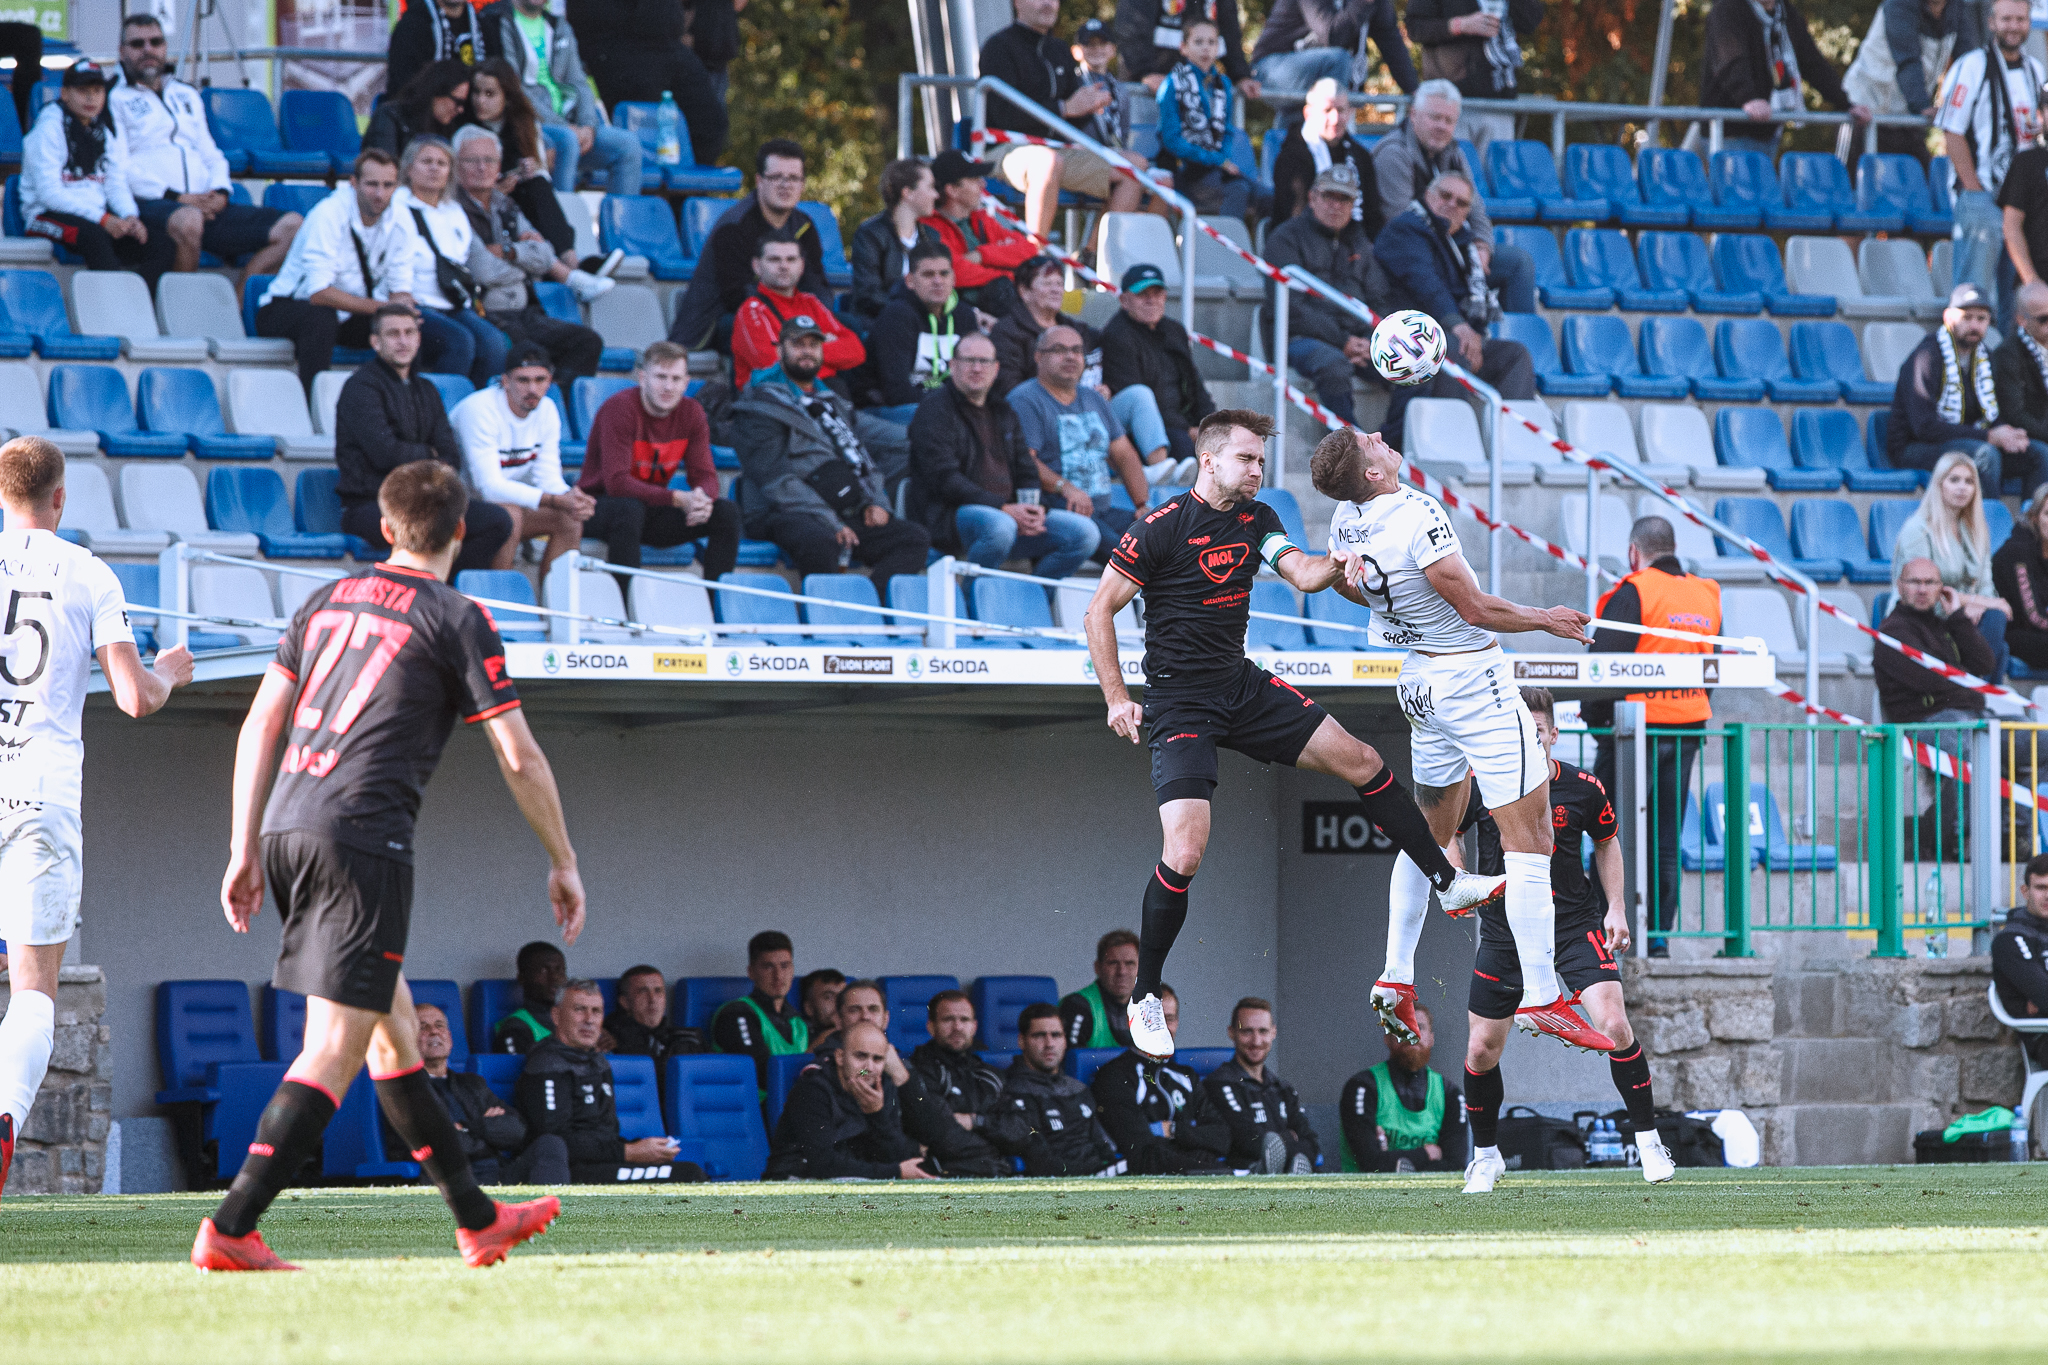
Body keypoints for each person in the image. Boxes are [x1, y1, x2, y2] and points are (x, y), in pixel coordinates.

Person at [194, 459, 581, 1271]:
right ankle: (230, 1226)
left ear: (384, 527)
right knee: (333, 1045)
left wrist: (242, 844)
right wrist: (563, 859)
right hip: (363, 840)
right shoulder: (457, 615)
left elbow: (261, 722)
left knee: (392, 1033)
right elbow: (518, 755)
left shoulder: (324, 599)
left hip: (289, 825)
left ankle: (478, 1218)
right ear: (462, 533)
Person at [1083, 410, 1516, 1062]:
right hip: (1180, 703)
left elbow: (1303, 574)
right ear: (1209, 461)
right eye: (1246, 459)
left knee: (1363, 759)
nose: (1257, 471)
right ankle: (1145, 994)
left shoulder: (1257, 519)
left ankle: (1445, 879)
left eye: (1261, 461)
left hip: (1241, 687)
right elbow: (1099, 610)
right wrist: (1118, 696)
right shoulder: (1160, 527)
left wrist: (1340, 563)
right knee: (1186, 851)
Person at [1309, 425, 1613, 1052]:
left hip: (1418, 682)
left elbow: (1349, 586)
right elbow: (1474, 609)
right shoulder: (1417, 513)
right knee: (1533, 840)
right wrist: (1546, 619)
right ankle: (1541, 997)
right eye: (1370, 443)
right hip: (1472, 680)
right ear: (1372, 473)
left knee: (1430, 834)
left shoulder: (1345, 518)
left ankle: (1396, 975)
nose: (1379, 435)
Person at [0, 437, 192, 1199]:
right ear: (61, 496)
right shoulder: (87, 571)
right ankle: (4, 1117)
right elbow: (134, 697)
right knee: (34, 990)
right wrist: (167, 673)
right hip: (40, 793)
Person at [1452, 689, 1676, 1192]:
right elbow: (1449, 831)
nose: (1531, 739)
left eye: (1538, 730)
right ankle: (1486, 1158)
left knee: (1614, 1025)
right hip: (1504, 932)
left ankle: (1648, 1143)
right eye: (1521, 731)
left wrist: (1616, 907)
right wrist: (1458, 877)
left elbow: (1607, 842)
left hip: (1573, 926)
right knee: (1482, 1048)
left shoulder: (1582, 787)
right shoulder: (1482, 784)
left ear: (1553, 734)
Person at [1584, 515, 1721, 958]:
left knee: (1610, 834)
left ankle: (1601, 934)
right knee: (1665, 839)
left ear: (1633, 552)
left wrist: (1598, 726)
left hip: (1632, 732)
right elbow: (1713, 667)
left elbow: (1600, 668)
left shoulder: (1634, 591)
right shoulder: (1707, 593)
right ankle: (1657, 938)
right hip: (1686, 730)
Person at [734, 324, 933, 580]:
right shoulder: (760, 405)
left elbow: (861, 458)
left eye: (814, 345)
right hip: (782, 511)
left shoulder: (832, 402)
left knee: (914, 538)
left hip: (839, 511)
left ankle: (870, 603)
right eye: (798, 345)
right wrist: (831, 521)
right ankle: (824, 605)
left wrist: (877, 502)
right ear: (780, 350)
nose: (807, 351)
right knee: (822, 541)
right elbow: (776, 481)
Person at [112, 14, 300, 282]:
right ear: (121, 51)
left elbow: (211, 154)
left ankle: (239, 300)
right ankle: (180, 306)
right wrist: (178, 197)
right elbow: (119, 166)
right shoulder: (113, 97)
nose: (148, 50)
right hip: (152, 205)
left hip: (204, 206)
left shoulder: (186, 94)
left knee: (293, 226)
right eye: (137, 44)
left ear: (165, 47)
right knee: (189, 220)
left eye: (155, 42)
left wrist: (220, 192)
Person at [334, 304, 517, 574]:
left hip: (427, 502)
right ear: (375, 342)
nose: (403, 341)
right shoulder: (360, 387)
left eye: (409, 332)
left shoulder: (427, 389)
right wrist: (430, 454)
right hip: (371, 505)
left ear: (419, 339)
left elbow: (451, 455)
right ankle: (427, 590)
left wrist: (424, 455)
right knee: (432, 525)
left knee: (497, 521)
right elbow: (385, 454)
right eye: (393, 334)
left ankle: (447, 590)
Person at [908, 331, 1101, 580]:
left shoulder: (1003, 409)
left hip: (1009, 512)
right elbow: (945, 480)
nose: (977, 368)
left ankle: (1035, 593)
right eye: (969, 361)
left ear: (996, 368)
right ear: (953, 365)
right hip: (951, 516)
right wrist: (1003, 508)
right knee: (1000, 527)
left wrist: (1033, 509)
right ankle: (974, 593)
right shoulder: (934, 410)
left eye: (984, 361)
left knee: (1084, 534)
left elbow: (1026, 469)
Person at [1373, 170, 1535, 448]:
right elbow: (1426, 285)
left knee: (1515, 356)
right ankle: (1448, 447)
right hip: (1399, 336)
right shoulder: (1405, 229)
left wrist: (1474, 336)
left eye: (1461, 203)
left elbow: (1467, 299)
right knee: (1452, 347)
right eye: (1445, 196)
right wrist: (1460, 327)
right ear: (1428, 195)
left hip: (1442, 334)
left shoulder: (1462, 244)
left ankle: (1513, 447)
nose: (1452, 205)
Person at [992, 257, 1187, 482]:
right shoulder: (1007, 332)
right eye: (1047, 283)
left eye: (1059, 283)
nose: (1056, 289)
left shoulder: (1077, 329)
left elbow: (1111, 362)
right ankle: (1132, 474)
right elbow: (1012, 391)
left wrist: (1108, 388)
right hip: (1042, 414)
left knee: (1138, 394)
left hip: (1088, 409)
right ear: (1024, 291)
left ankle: (1159, 469)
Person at [255, 151, 436, 393]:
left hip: (350, 314)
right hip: (285, 307)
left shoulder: (401, 217)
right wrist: (384, 308)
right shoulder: (328, 214)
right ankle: (312, 402)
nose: (380, 194)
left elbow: (400, 285)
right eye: (372, 184)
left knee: (406, 328)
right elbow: (319, 293)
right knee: (321, 319)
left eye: (388, 185)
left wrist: (402, 308)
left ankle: (405, 402)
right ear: (353, 183)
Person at [450, 126, 611, 384]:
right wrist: (526, 263)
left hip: (526, 311)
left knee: (587, 341)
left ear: (499, 165)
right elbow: (483, 271)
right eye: (472, 160)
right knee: (531, 354)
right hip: (488, 312)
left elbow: (545, 254)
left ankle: (555, 401)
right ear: (457, 165)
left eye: (489, 160)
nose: (482, 167)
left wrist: (509, 251)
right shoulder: (451, 209)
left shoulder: (505, 204)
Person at [978, 0, 1146, 241]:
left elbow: (1073, 116)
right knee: (1048, 162)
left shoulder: (1058, 49)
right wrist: (1063, 108)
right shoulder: (999, 46)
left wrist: (1091, 106)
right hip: (1006, 149)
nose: (1048, 4)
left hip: (1059, 151)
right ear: (1017, 3)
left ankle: (1091, 255)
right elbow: (1003, 115)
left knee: (1135, 166)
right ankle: (1035, 256)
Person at [576, 340, 742, 576]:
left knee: (726, 513)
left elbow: (705, 474)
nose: (668, 387)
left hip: (649, 510)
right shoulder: (619, 409)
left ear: (686, 383)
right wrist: (677, 498)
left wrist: (702, 499)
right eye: (660, 377)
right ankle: (626, 596)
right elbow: (617, 484)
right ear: (643, 378)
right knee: (629, 509)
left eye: (676, 379)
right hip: (597, 507)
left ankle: (715, 595)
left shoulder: (692, 412)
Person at [1369, 79, 1533, 315]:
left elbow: (1477, 211)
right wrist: (1459, 252)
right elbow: (1402, 228)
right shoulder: (1393, 154)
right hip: (1411, 260)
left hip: (1451, 250)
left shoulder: (1455, 153)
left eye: (1449, 121)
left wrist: (1482, 248)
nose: (1442, 127)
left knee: (1518, 262)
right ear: (1413, 115)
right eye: (1435, 118)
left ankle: (1514, 336)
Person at [516, 980, 706, 1182]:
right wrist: (629, 1152)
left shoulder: (599, 1063)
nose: (589, 1020)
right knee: (688, 1175)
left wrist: (643, 1148)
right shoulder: (546, 1064)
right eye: (579, 1010)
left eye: (596, 1011)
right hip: (570, 1173)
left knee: (686, 1168)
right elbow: (554, 1143)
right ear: (556, 1016)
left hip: (605, 1163)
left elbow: (606, 1135)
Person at [1876, 557, 1997, 850]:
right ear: (1899, 586)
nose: (1922, 589)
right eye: (1914, 582)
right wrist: (1967, 684)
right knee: (1970, 746)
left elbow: (1985, 664)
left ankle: (2017, 830)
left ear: (1941, 588)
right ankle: (1957, 837)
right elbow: (1929, 681)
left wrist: (1957, 616)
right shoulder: (1893, 631)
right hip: (1923, 723)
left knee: (2040, 742)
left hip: (1969, 716)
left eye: (1930, 582)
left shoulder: (1945, 626)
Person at [451, 342, 602, 576]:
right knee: (509, 515)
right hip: (460, 508)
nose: (532, 389)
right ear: (505, 381)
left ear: (549, 381)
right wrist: (555, 500)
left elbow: (548, 477)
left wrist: (572, 499)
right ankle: (500, 595)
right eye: (523, 380)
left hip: (505, 506)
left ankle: (556, 599)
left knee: (569, 518)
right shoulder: (479, 410)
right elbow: (488, 488)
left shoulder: (547, 409)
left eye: (540, 380)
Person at [20, 61, 175, 289]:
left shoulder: (103, 132)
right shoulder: (47, 130)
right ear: (65, 94)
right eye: (83, 90)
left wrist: (130, 217)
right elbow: (49, 195)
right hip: (44, 216)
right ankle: (113, 306)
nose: (91, 98)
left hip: (94, 217)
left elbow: (115, 184)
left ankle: (135, 302)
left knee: (161, 245)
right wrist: (103, 220)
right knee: (95, 237)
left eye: (97, 91)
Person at [1938, 0, 2044, 326]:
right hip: (1982, 196)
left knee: (2020, 300)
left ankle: (2011, 358)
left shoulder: (2036, 70)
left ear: (2029, 22)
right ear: (1992, 22)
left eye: (2020, 19)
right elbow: (1952, 131)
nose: (2013, 26)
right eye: (2006, 19)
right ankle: (1966, 355)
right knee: (1974, 298)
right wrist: (1974, 189)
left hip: (2022, 204)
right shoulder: (1972, 66)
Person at [1890, 285, 2048, 501]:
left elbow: (1989, 413)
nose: (1974, 326)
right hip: (1916, 448)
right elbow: (1924, 427)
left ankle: (2031, 520)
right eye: (1966, 317)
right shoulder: (1926, 356)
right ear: (1948, 317)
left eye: (1981, 319)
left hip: (1968, 441)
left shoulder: (1985, 357)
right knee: (1985, 455)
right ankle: (1990, 520)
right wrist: (1989, 436)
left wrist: (2007, 433)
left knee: (2039, 453)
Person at [384, 1002, 571, 1184]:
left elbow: (517, 1130)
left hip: (497, 1174)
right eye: (423, 1027)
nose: (434, 1032)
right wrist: (488, 1131)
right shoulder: (402, 1089)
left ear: (449, 1037)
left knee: (550, 1144)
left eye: (439, 1025)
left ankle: (555, 1206)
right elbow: (440, 1143)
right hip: (452, 1182)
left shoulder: (472, 1083)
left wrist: (467, 1127)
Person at [671, 139, 829, 349]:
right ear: (759, 181)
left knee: (848, 326)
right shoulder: (734, 226)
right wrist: (791, 317)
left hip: (785, 314)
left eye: (793, 178)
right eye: (776, 177)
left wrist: (820, 318)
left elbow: (817, 285)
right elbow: (737, 296)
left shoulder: (804, 225)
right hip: (718, 323)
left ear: (802, 184)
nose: (785, 185)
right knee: (755, 327)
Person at [1010, 325, 1152, 556]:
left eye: (1077, 350)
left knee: (1160, 535)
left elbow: (1124, 454)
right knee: (1127, 556)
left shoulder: (1093, 398)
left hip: (1102, 510)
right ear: (1038, 357)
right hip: (1059, 508)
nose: (1070, 356)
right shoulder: (1025, 400)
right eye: (1059, 350)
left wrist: (1141, 504)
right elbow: (1025, 460)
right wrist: (1065, 488)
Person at [482, 0, 645, 198]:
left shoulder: (559, 25)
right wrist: (564, 127)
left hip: (571, 125)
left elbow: (578, 81)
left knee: (628, 145)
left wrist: (588, 126)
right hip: (531, 124)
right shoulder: (499, 20)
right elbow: (514, 87)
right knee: (567, 140)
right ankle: (563, 215)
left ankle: (621, 217)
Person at [1263, 165, 1378, 427]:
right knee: (1333, 365)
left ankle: (1394, 441)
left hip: (1357, 339)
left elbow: (1379, 299)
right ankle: (1350, 444)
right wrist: (1343, 341)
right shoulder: (1285, 238)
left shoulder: (1361, 243)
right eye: (1328, 196)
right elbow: (1290, 308)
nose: (1335, 205)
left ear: (1353, 205)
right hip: (1298, 338)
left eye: (1344, 199)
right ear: (1312, 197)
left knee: (1408, 365)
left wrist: (1371, 341)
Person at [394, 135, 513, 387]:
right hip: (415, 304)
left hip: (454, 302)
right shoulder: (396, 206)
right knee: (459, 341)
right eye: (426, 161)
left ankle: (474, 403)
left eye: (442, 163)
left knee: (494, 342)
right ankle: (437, 405)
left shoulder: (454, 210)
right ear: (409, 168)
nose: (434, 168)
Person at [1893, 453, 2015, 681]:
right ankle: (1973, 693)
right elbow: (1924, 590)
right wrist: (1975, 604)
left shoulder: (1976, 531)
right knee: (1992, 635)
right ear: (1939, 484)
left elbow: (1986, 586)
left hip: (1959, 619)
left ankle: (1972, 692)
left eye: (1969, 481)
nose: (1962, 487)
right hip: (1922, 619)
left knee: (1996, 620)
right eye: (1954, 480)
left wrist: (1979, 605)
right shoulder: (1917, 530)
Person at [1088, 985, 1232, 1174]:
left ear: (1177, 1022)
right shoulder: (1115, 1076)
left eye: (1169, 1019)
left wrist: (1172, 1130)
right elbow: (1141, 1151)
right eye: (1152, 1019)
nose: (1162, 1027)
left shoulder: (1186, 1076)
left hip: (1193, 1171)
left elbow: (1222, 1137)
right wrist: (1200, 1156)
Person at [563, 0, 728, 165]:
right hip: (616, 46)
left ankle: (689, 179)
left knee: (711, 122)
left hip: (668, 44)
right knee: (644, 124)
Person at [766, 1022, 935, 1180]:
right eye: (861, 1056)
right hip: (794, 1182)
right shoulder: (813, 1090)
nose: (869, 1068)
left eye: (877, 1059)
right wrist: (896, 1172)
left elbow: (899, 1158)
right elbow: (823, 1165)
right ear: (840, 1057)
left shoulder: (882, 1088)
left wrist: (876, 1114)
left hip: (852, 1184)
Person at [1700, 0, 1872, 154]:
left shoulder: (1785, 14)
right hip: (1730, 131)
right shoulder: (1728, 9)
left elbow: (1813, 64)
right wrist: (1748, 98)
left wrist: (1845, 103)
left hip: (1767, 131)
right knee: (1737, 181)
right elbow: (1730, 61)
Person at [1100, 263, 1218, 472]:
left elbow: (1195, 384)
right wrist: (1188, 430)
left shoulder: (1174, 330)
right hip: (1142, 429)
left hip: (1180, 422)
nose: (1151, 300)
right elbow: (1139, 403)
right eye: (1142, 294)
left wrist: (1211, 424)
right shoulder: (1116, 335)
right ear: (1124, 300)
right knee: (1182, 444)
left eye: (1157, 293)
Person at [463, 58, 580, 260]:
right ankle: (566, 264)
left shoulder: (524, 123)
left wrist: (530, 170)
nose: (480, 101)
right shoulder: (465, 126)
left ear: (507, 96)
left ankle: (568, 257)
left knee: (538, 186)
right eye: (476, 92)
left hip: (517, 197)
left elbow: (541, 173)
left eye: (490, 94)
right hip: (475, 200)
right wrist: (493, 190)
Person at [1842, 0, 1978, 162]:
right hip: (1865, 114)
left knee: (1923, 175)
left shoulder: (1956, 9)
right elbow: (1907, 60)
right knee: (1855, 176)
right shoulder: (1899, 5)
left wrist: (1972, 106)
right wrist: (1923, 107)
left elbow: (1967, 62)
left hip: (1906, 117)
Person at [1338, 1003, 1465, 1174]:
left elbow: (1455, 1166)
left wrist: (1391, 1159)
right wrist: (1426, 1153)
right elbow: (1369, 1162)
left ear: (1431, 1038)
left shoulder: (1449, 1093)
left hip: (1431, 1191)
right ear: (1388, 1038)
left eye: (1419, 1027)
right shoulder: (1363, 1087)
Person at [1001, 1003, 1125, 1177]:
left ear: (1065, 1040)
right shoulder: (1011, 1090)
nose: (1049, 1044)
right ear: (1021, 1041)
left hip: (1099, 1177)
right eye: (1039, 1035)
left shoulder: (1078, 1088)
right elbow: (1039, 1160)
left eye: (1056, 1035)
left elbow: (1104, 1147)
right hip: (1057, 1183)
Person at [731, 229, 866, 388]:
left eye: (791, 259)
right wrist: (824, 348)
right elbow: (773, 366)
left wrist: (795, 352)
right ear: (757, 266)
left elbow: (857, 351)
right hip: (775, 396)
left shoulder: (810, 302)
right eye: (774, 260)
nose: (784, 266)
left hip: (821, 392)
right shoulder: (752, 310)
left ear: (801, 265)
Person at [904, 991, 1021, 1170]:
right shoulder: (918, 1071)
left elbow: (1020, 1130)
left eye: (964, 1020)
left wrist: (975, 1121)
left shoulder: (990, 1075)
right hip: (945, 1173)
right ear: (931, 1027)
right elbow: (942, 1135)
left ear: (974, 1027)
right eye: (948, 1020)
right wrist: (991, 1145)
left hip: (991, 1169)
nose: (957, 1027)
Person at [1403, 0, 1542, 149]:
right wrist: (1460, 25)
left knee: (1496, 163)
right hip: (1451, 104)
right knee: (1453, 163)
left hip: (1500, 102)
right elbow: (1415, 27)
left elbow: (1530, 21)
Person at [866, 245, 983, 417]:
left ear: (953, 278)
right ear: (910, 281)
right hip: (890, 409)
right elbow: (896, 392)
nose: (938, 281)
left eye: (944, 274)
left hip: (947, 406)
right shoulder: (895, 316)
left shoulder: (965, 315)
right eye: (928, 275)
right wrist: (953, 407)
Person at [1203, 998, 1319, 1173]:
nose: (1256, 1041)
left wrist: (1280, 1146)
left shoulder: (1283, 1089)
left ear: (1273, 1033)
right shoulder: (1218, 1084)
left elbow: (1311, 1144)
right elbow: (1245, 1140)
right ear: (1231, 1033)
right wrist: (1289, 1138)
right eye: (1247, 1031)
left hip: (1288, 1174)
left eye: (1263, 1031)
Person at [919, 149, 1037, 318]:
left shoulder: (981, 219)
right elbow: (954, 272)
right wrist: (1008, 275)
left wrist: (981, 256)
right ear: (952, 190)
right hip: (962, 312)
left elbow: (1029, 250)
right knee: (1005, 288)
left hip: (995, 306)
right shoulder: (931, 226)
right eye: (974, 179)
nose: (983, 184)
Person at [1155, 18, 1253, 219]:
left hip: (1216, 169)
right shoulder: (1173, 84)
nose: (1205, 48)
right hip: (1185, 170)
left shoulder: (1223, 84)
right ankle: (1221, 239)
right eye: (1198, 42)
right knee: (1239, 191)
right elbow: (1172, 141)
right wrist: (1217, 160)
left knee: (1268, 196)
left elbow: (1227, 131)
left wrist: (1222, 159)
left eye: (1211, 42)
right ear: (1183, 47)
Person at [1270, 80, 1384, 236]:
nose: (1335, 119)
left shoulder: (1360, 156)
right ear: (1308, 113)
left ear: (1350, 113)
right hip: (1302, 243)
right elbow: (1291, 217)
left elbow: (1373, 216)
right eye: (1327, 110)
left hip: (1356, 244)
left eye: (1340, 110)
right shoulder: (1291, 157)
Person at [1250, 0, 1418, 105]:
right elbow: (1333, 37)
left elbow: (1391, 41)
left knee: (1342, 68)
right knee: (1338, 61)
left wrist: (1414, 89)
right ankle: (1331, 138)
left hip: (1317, 73)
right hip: (1271, 68)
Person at [711, 931, 809, 1098]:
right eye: (768, 967)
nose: (778, 976)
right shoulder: (736, 1014)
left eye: (784, 966)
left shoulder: (799, 1021)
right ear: (751, 972)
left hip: (799, 1104)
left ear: (793, 970)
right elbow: (761, 1074)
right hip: (752, 1108)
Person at [849, 158, 944, 327]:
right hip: (881, 324)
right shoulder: (870, 235)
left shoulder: (931, 237)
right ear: (908, 193)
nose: (936, 195)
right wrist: (912, 313)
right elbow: (868, 295)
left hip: (925, 323)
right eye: (930, 187)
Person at [1114, 0, 1256, 100]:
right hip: (1147, 90)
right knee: (1144, 134)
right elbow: (1130, 30)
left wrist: (1241, 76)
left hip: (1196, 91)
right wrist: (1145, 73)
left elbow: (1229, 34)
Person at [1992, 855, 2048, 1067]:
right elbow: (2044, 994)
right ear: (2025, 891)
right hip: (2043, 1037)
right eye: (2041, 888)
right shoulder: (2011, 939)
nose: (2047, 895)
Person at [605, 965, 705, 1078]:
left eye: (658, 991)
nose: (652, 999)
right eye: (643, 991)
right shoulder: (610, 1039)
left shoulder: (690, 1038)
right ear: (625, 1002)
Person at [366, 59, 474, 162]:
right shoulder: (390, 116)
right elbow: (383, 164)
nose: (460, 109)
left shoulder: (449, 128)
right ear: (438, 91)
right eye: (458, 102)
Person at [1994, 482, 2048, 672]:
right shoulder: (2018, 551)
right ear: (2034, 517)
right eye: (2047, 514)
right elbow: (2033, 616)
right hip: (2014, 630)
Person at [1058, 930, 1142, 1052]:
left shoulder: (1150, 1006)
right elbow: (1071, 1060)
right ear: (1098, 967)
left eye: (1130, 963)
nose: (1122, 972)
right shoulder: (1077, 1006)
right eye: (1113, 963)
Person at [388, 0, 485, 101]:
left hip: (474, 107)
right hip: (423, 107)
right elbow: (403, 89)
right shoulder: (411, 26)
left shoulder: (483, 25)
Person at [490, 940, 569, 1054]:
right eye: (544, 971)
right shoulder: (516, 1029)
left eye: (560, 970)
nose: (555, 978)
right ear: (522, 978)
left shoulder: (576, 1021)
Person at [798, 969, 848, 1037]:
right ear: (809, 1008)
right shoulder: (801, 1038)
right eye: (829, 997)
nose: (839, 1002)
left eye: (842, 996)